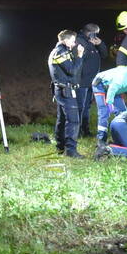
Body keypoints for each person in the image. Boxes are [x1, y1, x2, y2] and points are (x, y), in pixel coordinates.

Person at [48, 30, 85, 158]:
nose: (74, 43)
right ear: (65, 40)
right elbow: (72, 70)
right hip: (65, 91)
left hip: (62, 90)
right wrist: (79, 56)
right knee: (73, 121)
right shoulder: (60, 52)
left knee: (62, 120)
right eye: (73, 40)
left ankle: (60, 147)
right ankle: (70, 151)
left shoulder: (62, 51)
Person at [76, 23, 107, 137]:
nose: (97, 36)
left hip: (91, 81)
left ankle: (85, 130)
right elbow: (79, 60)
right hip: (82, 81)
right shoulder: (80, 42)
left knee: (87, 107)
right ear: (90, 33)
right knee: (80, 107)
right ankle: (77, 131)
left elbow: (104, 54)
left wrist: (100, 44)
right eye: (96, 34)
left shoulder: (92, 42)